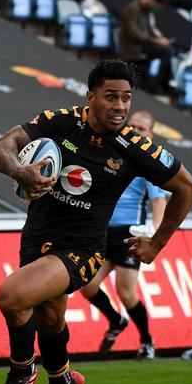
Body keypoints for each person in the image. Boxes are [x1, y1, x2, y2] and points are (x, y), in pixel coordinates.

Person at [0, 60, 192, 384]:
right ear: (91, 96)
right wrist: (20, 171)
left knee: (12, 296)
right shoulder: (61, 121)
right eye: (111, 96)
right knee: (50, 321)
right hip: (37, 236)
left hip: (82, 250)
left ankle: (21, 371)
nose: (119, 106)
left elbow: (186, 188)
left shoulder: (135, 146)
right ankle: (63, 383)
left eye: (126, 98)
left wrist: (157, 243)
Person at [79, 110, 167, 360]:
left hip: (129, 236)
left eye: (142, 129)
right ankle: (116, 320)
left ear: (150, 134)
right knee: (87, 285)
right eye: (134, 127)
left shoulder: (149, 162)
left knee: (126, 293)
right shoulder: (116, 153)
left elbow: (158, 200)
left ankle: (147, 341)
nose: (137, 132)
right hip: (103, 232)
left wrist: (155, 232)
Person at [119, 0, 173, 94]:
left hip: (144, 45)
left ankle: (163, 85)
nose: (156, 8)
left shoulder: (147, 12)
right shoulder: (132, 9)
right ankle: (163, 86)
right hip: (133, 47)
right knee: (167, 51)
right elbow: (133, 33)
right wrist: (155, 41)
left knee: (168, 49)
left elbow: (149, 31)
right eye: (156, 5)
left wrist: (159, 39)